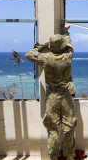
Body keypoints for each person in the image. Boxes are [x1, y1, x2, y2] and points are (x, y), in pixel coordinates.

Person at [25, 24, 77, 160]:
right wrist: (66, 31)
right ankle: (69, 156)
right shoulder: (68, 56)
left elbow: (29, 55)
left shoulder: (45, 58)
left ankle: (53, 157)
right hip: (66, 97)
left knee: (53, 130)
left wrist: (42, 46)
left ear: (51, 46)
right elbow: (70, 45)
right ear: (62, 47)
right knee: (68, 129)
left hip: (51, 98)